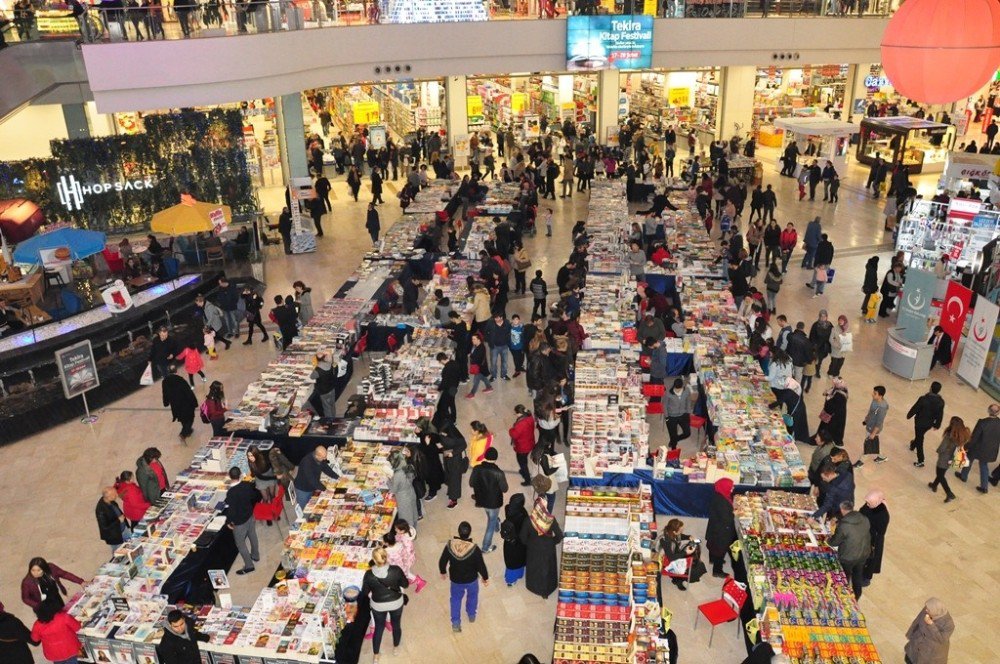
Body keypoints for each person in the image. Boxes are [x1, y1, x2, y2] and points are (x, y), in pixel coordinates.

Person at [438, 521, 489, 633]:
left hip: (456, 580)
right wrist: (485, 577)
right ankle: (471, 614)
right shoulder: (474, 549)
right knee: (473, 596)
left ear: (459, 532)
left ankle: (455, 623)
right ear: (469, 533)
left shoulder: (450, 545)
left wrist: (443, 571)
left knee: (455, 599)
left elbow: (442, 561)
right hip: (471, 580)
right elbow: (481, 566)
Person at [360, 547, 409, 662]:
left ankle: (376, 655)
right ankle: (396, 648)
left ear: (374, 560)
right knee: (396, 625)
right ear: (386, 557)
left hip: (378, 605)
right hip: (396, 603)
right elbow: (405, 584)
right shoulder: (396, 570)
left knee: (379, 628)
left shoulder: (369, 574)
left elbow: (364, 592)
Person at [519, 499, 563, 599]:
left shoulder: (528, 521)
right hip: (548, 549)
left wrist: (530, 544)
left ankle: (534, 587)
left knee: (535, 568)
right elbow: (559, 536)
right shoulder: (551, 520)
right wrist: (552, 542)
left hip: (533, 549)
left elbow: (522, 538)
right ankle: (547, 590)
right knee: (548, 569)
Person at [827, 500, 871, 600]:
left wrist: (828, 539)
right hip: (863, 553)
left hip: (849, 556)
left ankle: (843, 596)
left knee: (845, 576)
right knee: (857, 575)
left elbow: (834, 542)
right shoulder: (864, 518)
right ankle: (857, 596)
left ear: (842, 509)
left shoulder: (844, 525)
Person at [468, 447, 508, 553]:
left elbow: (471, 483)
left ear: (485, 457)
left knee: (491, 516)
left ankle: (496, 525)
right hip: (494, 502)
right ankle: (485, 547)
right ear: (496, 458)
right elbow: (505, 489)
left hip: (482, 499)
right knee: (490, 523)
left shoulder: (477, 469)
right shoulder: (499, 473)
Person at [224, 466, 261, 575]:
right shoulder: (246, 485)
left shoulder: (231, 493)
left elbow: (231, 511)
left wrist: (228, 522)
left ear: (230, 477)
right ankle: (255, 555)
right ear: (240, 475)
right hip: (250, 515)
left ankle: (249, 566)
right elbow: (254, 495)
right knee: (252, 534)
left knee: (240, 544)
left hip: (240, 522)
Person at [958, 402, 1000, 493]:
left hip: (978, 448)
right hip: (990, 450)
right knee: (984, 465)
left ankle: (963, 476)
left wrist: (966, 446)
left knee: (969, 458)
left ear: (988, 411)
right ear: (998, 413)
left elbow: (974, 438)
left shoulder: (982, 422)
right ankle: (984, 487)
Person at [929, 416, 968, 502]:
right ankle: (934, 485)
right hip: (953, 458)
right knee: (941, 473)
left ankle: (949, 493)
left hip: (944, 457)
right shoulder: (963, 434)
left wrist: (938, 451)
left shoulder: (950, 435)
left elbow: (943, 447)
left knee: (940, 474)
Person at [904, 598, 955, 664]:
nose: (926, 610)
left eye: (928, 609)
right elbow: (917, 621)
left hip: (931, 652)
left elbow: (942, 639)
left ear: (935, 610)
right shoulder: (928, 610)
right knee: (910, 659)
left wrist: (931, 625)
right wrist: (910, 634)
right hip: (917, 643)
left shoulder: (948, 624)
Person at [907, 382, 945, 468]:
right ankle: (913, 445)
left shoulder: (923, 399)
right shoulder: (941, 402)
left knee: (920, 439)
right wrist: (937, 425)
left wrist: (909, 415)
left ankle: (921, 460)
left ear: (931, 388)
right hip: (929, 424)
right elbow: (940, 414)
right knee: (919, 436)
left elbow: (915, 408)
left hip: (919, 422)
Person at [705, 478, 736, 578]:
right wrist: (735, 514)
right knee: (720, 550)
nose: (733, 488)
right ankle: (717, 570)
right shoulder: (723, 502)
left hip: (714, 528)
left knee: (713, 546)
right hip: (721, 532)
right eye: (731, 486)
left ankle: (712, 559)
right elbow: (727, 520)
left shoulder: (720, 495)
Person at [657, 518, 698, 592]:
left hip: (672, 555)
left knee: (693, 548)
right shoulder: (666, 541)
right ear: (674, 532)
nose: (681, 532)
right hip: (665, 561)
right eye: (680, 530)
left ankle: (676, 578)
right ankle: (677, 579)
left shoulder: (671, 533)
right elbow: (671, 558)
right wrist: (685, 553)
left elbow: (680, 536)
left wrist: (688, 537)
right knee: (689, 561)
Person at [859, 490, 889, 588]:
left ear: (876, 503)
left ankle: (865, 579)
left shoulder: (883, 515)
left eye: (869, 503)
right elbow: (862, 511)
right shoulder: (870, 505)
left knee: (870, 560)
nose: (867, 504)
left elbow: (880, 532)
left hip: (873, 540)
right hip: (865, 533)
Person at [294, 445, 339, 510]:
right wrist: (325, 490)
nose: (325, 458)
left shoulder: (319, 457)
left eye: (325, 456)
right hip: (303, 489)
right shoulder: (307, 463)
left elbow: (325, 468)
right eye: (324, 457)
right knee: (303, 510)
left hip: (312, 486)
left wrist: (337, 477)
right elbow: (313, 481)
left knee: (312, 507)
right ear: (317, 455)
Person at [161, 363, 198, 442]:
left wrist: (166, 402)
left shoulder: (165, 381)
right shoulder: (180, 380)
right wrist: (194, 402)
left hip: (175, 405)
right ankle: (183, 433)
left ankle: (188, 431)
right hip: (185, 404)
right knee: (190, 418)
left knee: (182, 419)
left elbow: (165, 393)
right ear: (176, 370)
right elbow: (188, 392)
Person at [855, 386, 888, 467]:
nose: (872, 394)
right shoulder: (875, 400)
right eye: (873, 392)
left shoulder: (882, 407)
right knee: (873, 444)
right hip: (869, 425)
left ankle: (861, 461)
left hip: (873, 429)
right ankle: (881, 457)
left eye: (875, 393)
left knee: (868, 444)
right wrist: (867, 418)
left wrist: (873, 433)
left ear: (880, 396)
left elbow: (879, 422)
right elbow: (871, 410)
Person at [500, 493, 529, 587]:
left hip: (509, 541)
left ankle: (510, 579)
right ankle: (513, 579)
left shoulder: (507, 508)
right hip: (519, 542)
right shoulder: (522, 515)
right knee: (519, 560)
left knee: (511, 561)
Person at [389, 450, 419, 532]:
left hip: (403, 498)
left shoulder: (398, 474)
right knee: (413, 513)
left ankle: (409, 534)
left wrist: (388, 480)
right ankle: (414, 530)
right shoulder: (407, 466)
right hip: (411, 492)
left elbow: (393, 489)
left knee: (406, 518)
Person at [817, 377, 849, 446]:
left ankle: (823, 439)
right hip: (838, 414)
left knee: (829, 427)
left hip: (833, 415)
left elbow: (831, 406)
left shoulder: (839, 395)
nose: (833, 385)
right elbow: (831, 391)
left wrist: (828, 398)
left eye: (835, 384)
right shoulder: (842, 389)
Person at [509, 404, 536, 486]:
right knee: (524, 460)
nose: (515, 415)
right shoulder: (529, 417)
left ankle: (527, 479)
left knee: (522, 462)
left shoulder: (521, 424)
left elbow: (514, 434)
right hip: (529, 442)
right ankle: (523, 470)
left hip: (523, 446)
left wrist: (511, 429)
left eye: (515, 413)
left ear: (519, 413)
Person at [95, 486, 127, 554]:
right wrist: (118, 520)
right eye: (114, 494)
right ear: (109, 497)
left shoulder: (110, 501)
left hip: (123, 529)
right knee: (118, 552)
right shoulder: (100, 510)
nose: (116, 495)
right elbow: (105, 527)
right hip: (114, 535)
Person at [308, 352, 338, 419]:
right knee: (332, 405)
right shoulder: (329, 364)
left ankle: (329, 421)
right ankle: (334, 417)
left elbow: (311, 377)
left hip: (324, 391)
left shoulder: (318, 370)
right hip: (331, 388)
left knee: (327, 407)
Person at [483, 312, 512, 382]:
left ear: (501, 318)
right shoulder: (490, 323)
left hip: (504, 346)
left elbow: (510, 331)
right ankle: (493, 375)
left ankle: (504, 375)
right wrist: (488, 340)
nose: (495, 319)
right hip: (494, 347)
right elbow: (485, 332)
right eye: (494, 318)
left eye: (497, 318)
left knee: (504, 362)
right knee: (493, 362)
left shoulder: (507, 323)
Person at [664, 378, 692, 449]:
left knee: (687, 433)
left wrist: (688, 412)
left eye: (679, 390)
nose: (677, 391)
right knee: (672, 433)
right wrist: (667, 417)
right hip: (671, 416)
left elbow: (688, 401)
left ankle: (675, 439)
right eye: (676, 389)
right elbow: (665, 405)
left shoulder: (687, 391)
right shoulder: (668, 393)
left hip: (683, 415)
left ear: (682, 387)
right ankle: (673, 446)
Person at [466, 334, 493, 398]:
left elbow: (477, 359)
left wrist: (471, 356)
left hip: (479, 367)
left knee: (476, 381)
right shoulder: (475, 345)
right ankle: (489, 387)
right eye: (472, 339)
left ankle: (472, 393)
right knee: (483, 377)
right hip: (479, 367)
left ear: (479, 340)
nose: (472, 340)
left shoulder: (481, 347)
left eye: (474, 339)